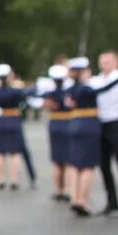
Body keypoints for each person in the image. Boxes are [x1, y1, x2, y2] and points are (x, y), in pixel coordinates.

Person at [93, 51, 118, 217]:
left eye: (107, 61)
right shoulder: (96, 80)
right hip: (100, 123)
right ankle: (112, 202)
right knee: (104, 165)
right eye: (102, 61)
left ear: (116, 62)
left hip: (116, 123)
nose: (104, 64)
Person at [65, 57, 102, 216]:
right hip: (89, 125)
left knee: (75, 164)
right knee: (88, 165)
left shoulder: (70, 89)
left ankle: (74, 197)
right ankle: (82, 200)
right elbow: (104, 89)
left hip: (74, 123)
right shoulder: (86, 89)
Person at [0, 64, 29, 190]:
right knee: (15, 152)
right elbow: (24, 104)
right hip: (14, 119)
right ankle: (14, 179)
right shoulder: (17, 91)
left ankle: (1, 178)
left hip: (0, 120)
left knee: (0, 152)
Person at [41, 64, 73, 202]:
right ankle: (67, 189)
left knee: (56, 160)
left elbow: (46, 107)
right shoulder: (69, 92)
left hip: (55, 123)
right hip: (68, 122)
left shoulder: (50, 94)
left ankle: (58, 189)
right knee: (69, 160)